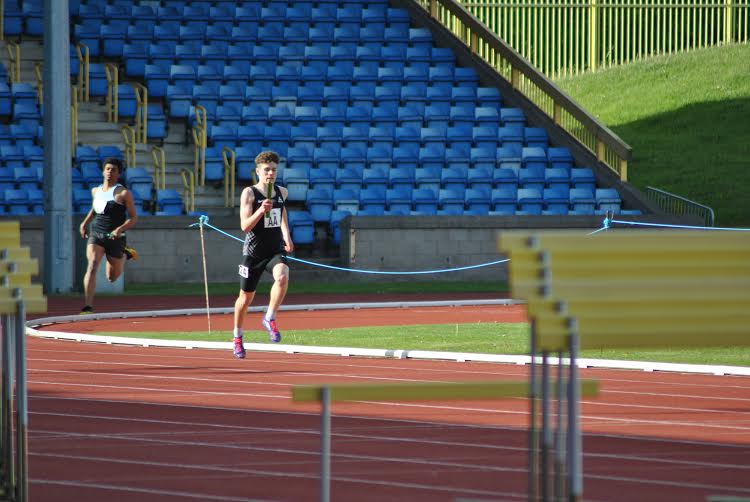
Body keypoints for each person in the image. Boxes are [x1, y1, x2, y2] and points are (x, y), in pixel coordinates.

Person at [232, 150, 294, 359]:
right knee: (245, 298)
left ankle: (269, 317)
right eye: (267, 170)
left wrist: (286, 235)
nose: (271, 173)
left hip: (275, 250)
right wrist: (260, 211)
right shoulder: (249, 193)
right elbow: (245, 227)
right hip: (254, 253)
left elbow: (282, 212)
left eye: (274, 170)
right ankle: (237, 336)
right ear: (258, 171)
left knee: (282, 276)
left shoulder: (282, 192)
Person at [78, 157, 139, 314]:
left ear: (119, 174)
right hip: (97, 233)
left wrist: (119, 229)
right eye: (107, 169)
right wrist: (84, 223)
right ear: (103, 171)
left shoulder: (124, 193)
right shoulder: (95, 191)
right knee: (92, 265)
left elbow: (133, 218)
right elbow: (95, 209)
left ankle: (125, 255)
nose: (110, 172)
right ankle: (87, 306)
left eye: (113, 170)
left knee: (112, 277)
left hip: (115, 237)